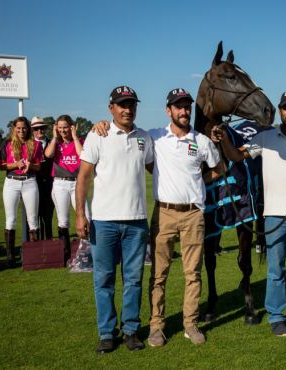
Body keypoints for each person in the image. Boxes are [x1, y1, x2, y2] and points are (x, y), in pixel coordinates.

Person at [91, 88, 222, 347]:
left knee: (193, 273)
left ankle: (190, 324)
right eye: (178, 107)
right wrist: (101, 124)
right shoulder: (154, 137)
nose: (183, 111)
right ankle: (156, 327)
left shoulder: (203, 141)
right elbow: (146, 159)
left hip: (194, 214)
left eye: (187, 107)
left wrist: (198, 182)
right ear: (168, 110)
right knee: (159, 275)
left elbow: (219, 169)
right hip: (163, 213)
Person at [212, 90, 286, 337]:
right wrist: (223, 139)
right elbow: (236, 155)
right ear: (280, 109)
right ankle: (277, 316)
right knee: (276, 270)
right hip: (275, 215)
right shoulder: (265, 137)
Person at [75, 86, 154, 354]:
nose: (127, 109)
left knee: (133, 280)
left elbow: (157, 169)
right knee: (104, 280)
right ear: (111, 108)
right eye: (122, 104)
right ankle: (107, 333)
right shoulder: (98, 134)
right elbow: (83, 177)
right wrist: (80, 214)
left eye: (131, 104)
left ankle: (131, 330)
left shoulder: (144, 137)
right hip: (104, 221)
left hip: (136, 221)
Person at [44, 114, 89, 260]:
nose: (63, 130)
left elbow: (81, 154)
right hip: (60, 183)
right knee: (63, 220)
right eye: (60, 127)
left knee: (86, 216)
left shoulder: (80, 140)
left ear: (71, 127)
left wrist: (75, 137)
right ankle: (66, 254)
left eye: (65, 127)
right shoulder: (55, 143)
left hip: (77, 183)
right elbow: (48, 154)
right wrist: (55, 137)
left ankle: (87, 253)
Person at [0, 117, 43, 265]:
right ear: (14, 129)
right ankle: (10, 257)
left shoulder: (36, 144)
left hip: (30, 181)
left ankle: (34, 255)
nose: (21, 130)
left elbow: (39, 167)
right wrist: (15, 164)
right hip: (11, 182)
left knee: (32, 219)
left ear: (28, 128)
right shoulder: (7, 144)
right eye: (18, 128)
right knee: (10, 219)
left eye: (24, 128)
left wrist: (31, 165)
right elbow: (2, 166)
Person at [31, 117, 54, 240]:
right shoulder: (28, 144)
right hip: (32, 184)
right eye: (36, 128)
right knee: (33, 218)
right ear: (32, 130)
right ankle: (34, 248)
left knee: (48, 217)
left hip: (50, 184)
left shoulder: (52, 142)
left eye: (42, 128)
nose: (39, 130)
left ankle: (49, 245)